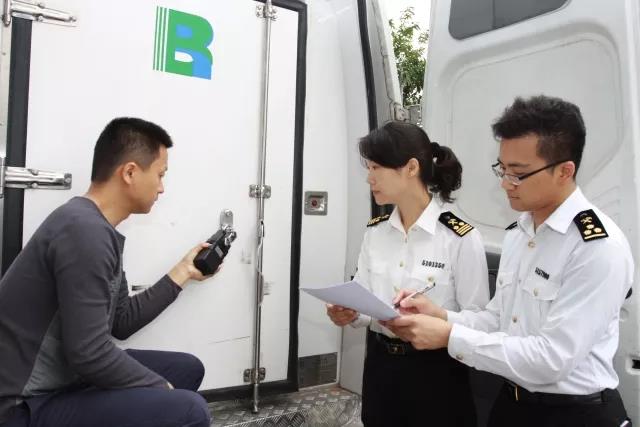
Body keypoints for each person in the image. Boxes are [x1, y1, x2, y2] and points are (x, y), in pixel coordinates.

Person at [385, 95, 633, 427]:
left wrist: (449, 336)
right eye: (502, 169)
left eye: (518, 173)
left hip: (574, 414)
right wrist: (440, 315)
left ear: (564, 171)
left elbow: (551, 359)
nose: (505, 183)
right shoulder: (520, 233)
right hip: (512, 405)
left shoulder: (596, 247)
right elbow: (500, 320)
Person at [0, 118, 216, 427]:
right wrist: (160, 387)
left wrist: (184, 271)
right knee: (189, 411)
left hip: (66, 377)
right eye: (160, 174)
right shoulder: (84, 231)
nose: (162, 188)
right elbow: (89, 354)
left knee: (186, 369)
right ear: (130, 173)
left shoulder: (96, 227)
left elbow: (121, 322)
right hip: (23, 405)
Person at [326, 121, 489, 427]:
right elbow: (364, 299)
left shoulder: (459, 238)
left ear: (411, 168)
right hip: (381, 368)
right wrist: (349, 313)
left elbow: (481, 321)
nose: (369, 178)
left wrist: (438, 319)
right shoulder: (376, 233)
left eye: (376, 168)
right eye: (369, 168)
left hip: (436, 372)